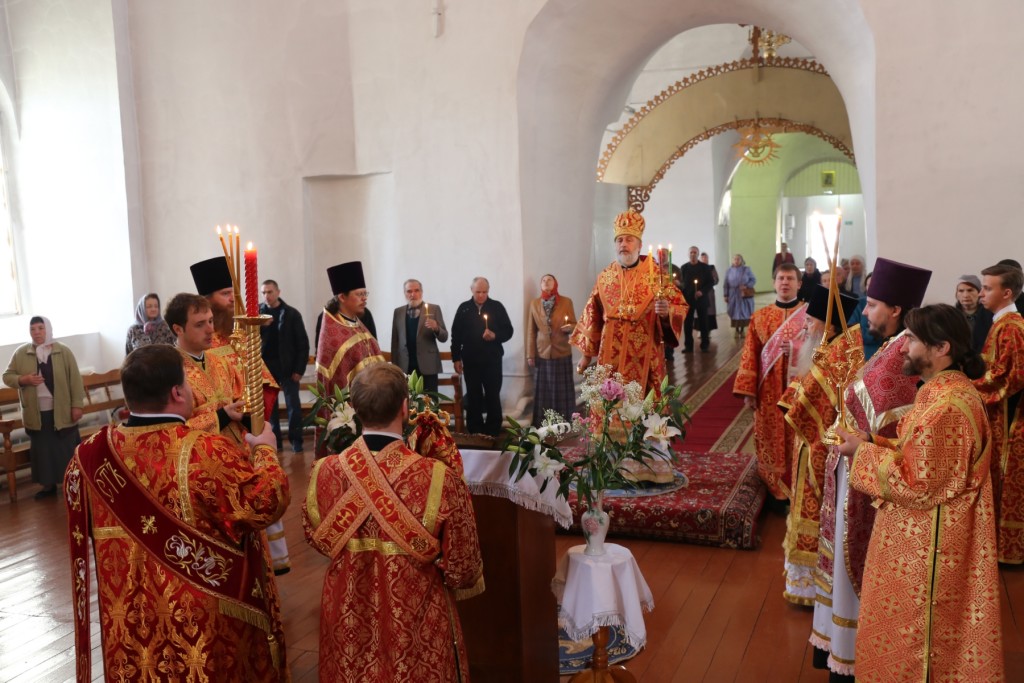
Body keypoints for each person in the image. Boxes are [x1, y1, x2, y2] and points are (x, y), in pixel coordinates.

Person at [65, 344, 289, 682]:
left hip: (129, 620)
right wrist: (266, 452)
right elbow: (266, 502)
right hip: (202, 619)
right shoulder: (205, 450)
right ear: (177, 392)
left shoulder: (90, 456)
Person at [838, 304, 1002, 682]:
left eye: (911, 339)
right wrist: (872, 440)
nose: (902, 347)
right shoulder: (943, 392)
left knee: (918, 646)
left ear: (940, 348)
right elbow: (924, 455)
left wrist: (861, 454)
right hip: (919, 538)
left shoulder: (947, 406)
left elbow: (920, 484)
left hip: (930, 550)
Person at [302, 362, 484, 681]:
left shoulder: (325, 472)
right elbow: (463, 569)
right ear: (405, 407)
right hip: (419, 623)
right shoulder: (438, 477)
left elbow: (315, 537)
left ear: (354, 409)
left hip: (348, 622)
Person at [809, 257, 931, 681]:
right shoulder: (890, 345)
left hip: (867, 479)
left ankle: (855, 654)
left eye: (874, 304)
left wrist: (854, 442)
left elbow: (888, 426)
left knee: (856, 567)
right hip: (853, 469)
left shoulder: (902, 356)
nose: (865, 310)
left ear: (896, 310)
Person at [191, 259, 290, 573]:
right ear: (206, 302)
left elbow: (265, 381)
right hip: (214, 448)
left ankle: (263, 568)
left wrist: (254, 416)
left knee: (258, 501)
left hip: (247, 438)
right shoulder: (198, 349)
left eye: (233, 292)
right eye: (224, 294)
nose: (232, 300)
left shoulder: (240, 339)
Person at [777, 285, 860, 606]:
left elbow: (806, 403)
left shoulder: (837, 356)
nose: (805, 327)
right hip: (818, 444)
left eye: (811, 321)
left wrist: (794, 399)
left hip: (822, 447)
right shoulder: (835, 349)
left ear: (831, 326)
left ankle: (811, 587)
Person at [570, 210, 686, 396]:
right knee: (609, 408)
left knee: (643, 413)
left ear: (639, 245)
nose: (623, 244)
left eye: (629, 240)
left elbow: (679, 306)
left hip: (645, 358)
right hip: (609, 359)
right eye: (619, 240)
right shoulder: (605, 278)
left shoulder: (657, 276)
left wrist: (666, 313)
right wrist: (586, 356)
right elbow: (592, 315)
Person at [732, 263, 807, 500]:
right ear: (774, 282)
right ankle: (773, 491)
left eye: (790, 278)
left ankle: (798, 490)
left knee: (797, 438)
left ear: (799, 284)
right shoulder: (760, 317)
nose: (785, 282)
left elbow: (821, 352)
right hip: (768, 391)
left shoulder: (810, 318)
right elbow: (749, 355)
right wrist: (748, 392)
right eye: (781, 278)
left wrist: (797, 348)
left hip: (801, 392)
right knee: (769, 438)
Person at [973, 263, 1024, 564]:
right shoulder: (1000, 323)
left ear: (1006, 293)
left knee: (1008, 482)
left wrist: (970, 385)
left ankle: (1009, 551)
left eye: (987, 288)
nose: (981, 293)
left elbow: (1011, 377)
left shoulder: (1011, 327)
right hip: (998, 418)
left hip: (1010, 422)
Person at [3, 316, 84, 499]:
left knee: (65, 449)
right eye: (33, 329)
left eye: (40, 328)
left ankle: (73, 486)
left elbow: (75, 380)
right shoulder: (21, 353)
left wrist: (77, 405)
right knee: (43, 452)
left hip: (62, 411)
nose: (37, 332)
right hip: (37, 413)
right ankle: (48, 487)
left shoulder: (63, 351)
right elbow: (7, 376)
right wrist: (23, 380)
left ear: (48, 329)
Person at [316, 261, 386, 452]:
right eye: (359, 294)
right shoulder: (333, 333)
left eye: (365, 294)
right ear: (342, 297)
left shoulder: (357, 323)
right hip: (351, 417)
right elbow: (335, 384)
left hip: (373, 407)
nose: (365, 299)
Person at [451, 276, 514, 435]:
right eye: (478, 291)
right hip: (471, 360)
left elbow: (508, 331)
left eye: (484, 292)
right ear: (471, 290)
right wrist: (456, 358)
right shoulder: (464, 308)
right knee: (473, 395)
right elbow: (455, 335)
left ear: (488, 291)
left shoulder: (497, 307)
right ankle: (475, 429)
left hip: (492, 360)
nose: (481, 295)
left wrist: (495, 336)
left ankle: (493, 429)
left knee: (493, 394)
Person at [260, 279, 311, 453]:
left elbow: (302, 344)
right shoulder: (257, 315)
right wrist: (261, 326)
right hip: (266, 368)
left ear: (278, 292)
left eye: (270, 292)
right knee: (270, 408)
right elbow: (247, 340)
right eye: (264, 292)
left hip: (288, 368)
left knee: (293, 407)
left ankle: (296, 441)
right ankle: (276, 443)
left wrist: (299, 369)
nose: (267, 296)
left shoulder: (291, 314)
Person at [526, 274, 577, 425]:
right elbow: (531, 331)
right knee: (544, 390)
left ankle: (564, 420)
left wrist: (570, 328)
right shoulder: (534, 304)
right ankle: (544, 421)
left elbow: (575, 324)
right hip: (542, 352)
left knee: (562, 390)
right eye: (543, 280)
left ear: (556, 283)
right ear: (540, 285)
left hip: (561, 351)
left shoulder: (566, 302)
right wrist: (530, 354)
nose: (546, 282)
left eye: (549, 280)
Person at [390, 278, 448, 394]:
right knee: (408, 403)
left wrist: (436, 328)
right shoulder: (398, 312)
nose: (413, 294)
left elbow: (444, 337)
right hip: (405, 366)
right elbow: (395, 341)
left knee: (430, 404)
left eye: (416, 290)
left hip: (428, 365)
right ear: (405, 293)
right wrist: (395, 368)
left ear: (421, 292)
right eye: (409, 291)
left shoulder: (434, 309)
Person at [679, 245, 714, 351]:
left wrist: (701, 291)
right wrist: (679, 284)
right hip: (688, 299)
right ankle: (688, 346)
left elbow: (710, 282)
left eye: (695, 252)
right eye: (691, 252)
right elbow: (682, 283)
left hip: (701, 299)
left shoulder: (705, 267)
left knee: (703, 323)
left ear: (698, 254)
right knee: (688, 324)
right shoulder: (684, 268)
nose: (693, 254)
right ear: (688, 254)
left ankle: (705, 345)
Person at [955, 273, 994, 354]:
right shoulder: (951, 316)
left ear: (979, 293)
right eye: (961, 291)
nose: (965, 295)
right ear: (956, 294)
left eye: (970, 290)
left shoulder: (990, 315)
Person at [723, 253, 756, 337]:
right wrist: (725, 295)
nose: (736, 261)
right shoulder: (729, 270)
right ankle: (736, 329)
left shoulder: (747, 269)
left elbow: (753, 280)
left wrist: (747, 285)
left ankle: (742, 329)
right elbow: (726, 283)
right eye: (735, 259)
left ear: (741, 261)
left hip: (743, 294)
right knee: (734, 311)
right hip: (733, 294)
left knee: (743, 311)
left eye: (738, 259)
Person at [700, 252, 719, 332]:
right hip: (700, 292)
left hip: (709, 292)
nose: (704, 259)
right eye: (702, 258)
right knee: (700, 311)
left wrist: (709, 282)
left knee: (709, 311)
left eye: (706, 258)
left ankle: (708, 330)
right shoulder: (698, 268)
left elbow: (716, 279)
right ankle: (700, 330)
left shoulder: (711, 267)